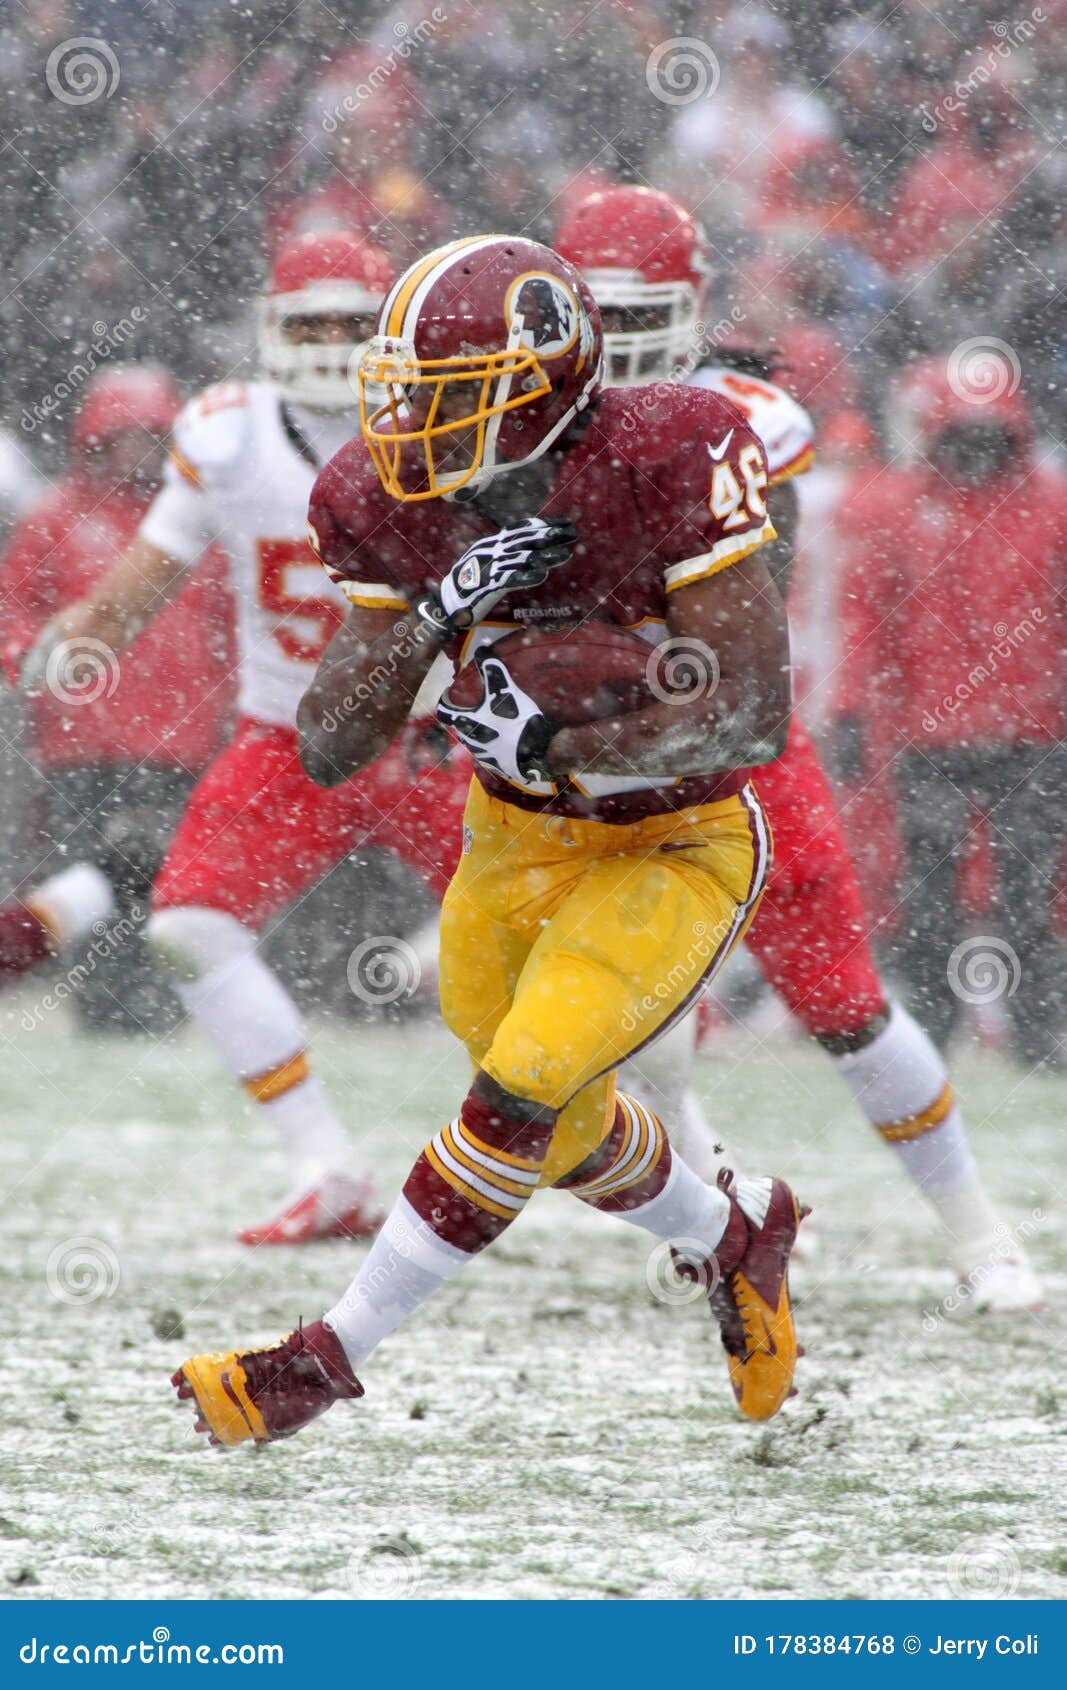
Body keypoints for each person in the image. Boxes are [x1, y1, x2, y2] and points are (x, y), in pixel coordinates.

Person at [172, 231, 808, 1448]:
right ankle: (737, 1232)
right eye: (405, 390)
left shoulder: (671, 446)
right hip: (509, 842)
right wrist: (431, 611)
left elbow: (749, 711)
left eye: (446, 394)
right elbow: (328, 744)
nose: (409, 421)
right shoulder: (386, 495)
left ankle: (319, 1361)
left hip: (672, 842)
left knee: (517, 1088)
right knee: (557, 1128)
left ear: (541, 384)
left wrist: (567, 744)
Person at [554, 185, 1043, 1310]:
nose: (617, 343)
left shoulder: (747, 417)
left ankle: (978, 1233)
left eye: (639, 317)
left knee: (843, 1006)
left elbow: (731, 611)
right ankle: (726, 1214)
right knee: (640, 1033)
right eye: (598, 316)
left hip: (730, 744)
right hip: (605, 753)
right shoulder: (522, 422)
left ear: (690, 309)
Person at [18, 232, 469, 1245]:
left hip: (439, 736)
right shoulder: (227, 431)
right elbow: (145, 579)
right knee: (188, 925)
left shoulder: (448, 422)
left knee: (561, 954)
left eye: (351, 324)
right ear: (270, 330)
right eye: (310, 325)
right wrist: (74, 640)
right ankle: (324, 1164)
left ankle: (684, 1176)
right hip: (293, 739)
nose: (330, 344)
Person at [838, 356, 1067, 1071]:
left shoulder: (1054, 508)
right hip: (933, 737)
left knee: (1031, 895)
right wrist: (849, 708)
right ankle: (931, 1033)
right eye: (963, 433)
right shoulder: (901, 509)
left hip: (1032, 734)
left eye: (989, 433)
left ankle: (1037, 1031)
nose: (976, 448)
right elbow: (865, 616)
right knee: (928, 897)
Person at [0, 364, 234, 1034]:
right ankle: (102, 1008)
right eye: (123, 436)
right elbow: (12, 608)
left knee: (171, 885)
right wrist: (30, 658)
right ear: (93, 440)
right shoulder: (54, 520)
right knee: (90, 879)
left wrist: (232, 707)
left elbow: (231, 624)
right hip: (81, 748)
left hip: (181, 746)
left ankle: (161, 1008)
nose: (138, 451)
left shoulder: (197, 518)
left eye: (150, 437)